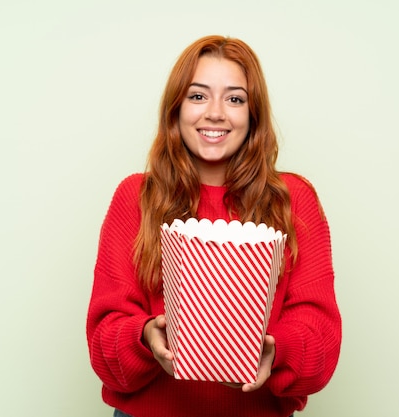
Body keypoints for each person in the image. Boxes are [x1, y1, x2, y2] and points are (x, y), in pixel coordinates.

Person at [86, 35, 342, 417]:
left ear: (253, 114)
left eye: (235, 99)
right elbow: (104, 342)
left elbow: (319, 343)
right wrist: (145, 338)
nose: (216, 113)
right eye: (198, 96)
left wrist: (277, 350)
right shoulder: (135, 197)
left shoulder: (293, 201)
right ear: (176, 108)